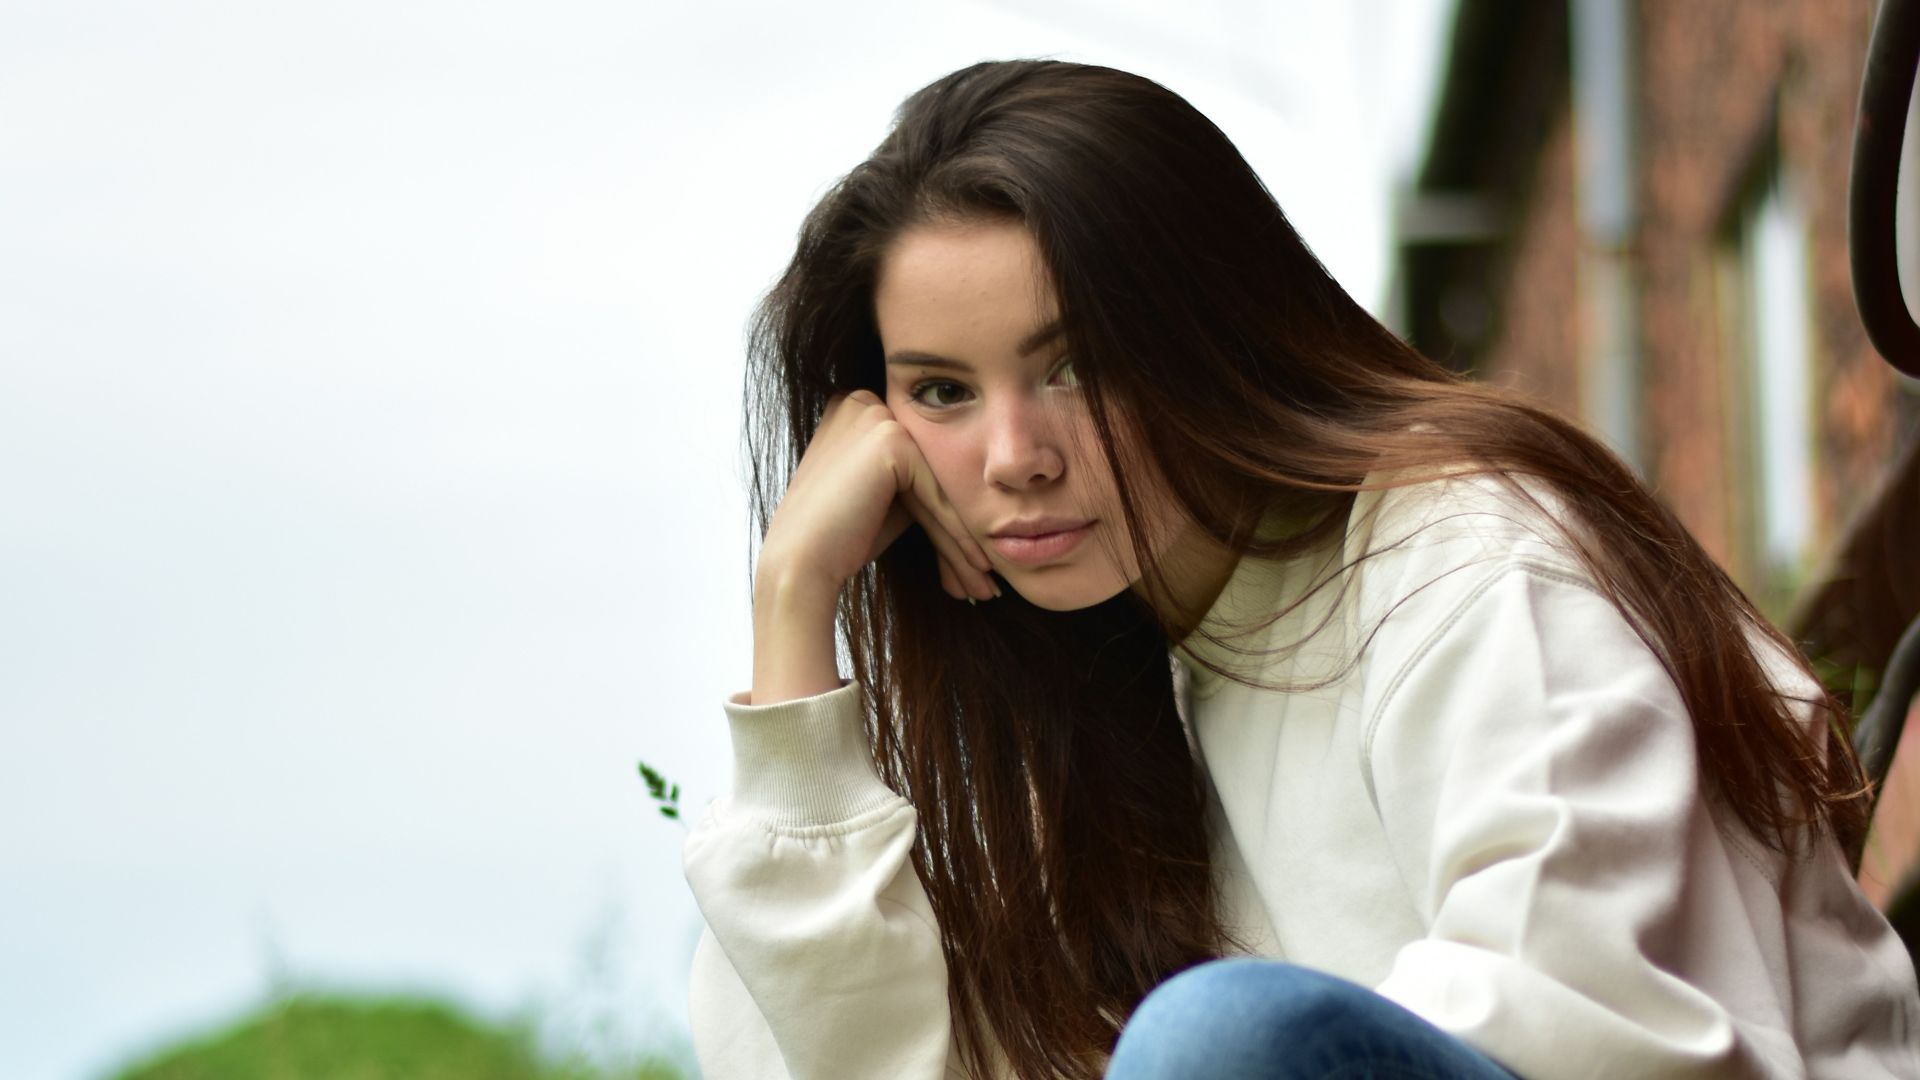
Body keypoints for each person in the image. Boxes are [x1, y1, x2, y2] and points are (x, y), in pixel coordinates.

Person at [680, 59, 1920, 1079]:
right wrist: (796, 609)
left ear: (1207, 334)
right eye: (941, 393)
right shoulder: (1095, 700)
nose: (1013, 458)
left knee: (1218, 1043)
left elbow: (1609, 1030)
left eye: (1076, 363)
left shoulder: (1467, 560)